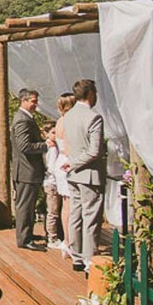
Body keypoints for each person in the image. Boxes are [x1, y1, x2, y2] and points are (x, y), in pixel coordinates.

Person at [61, 79, 106, 272]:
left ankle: (77, 256)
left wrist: (71, 163)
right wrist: (75, 162)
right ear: (90, 94)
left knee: (75, 215)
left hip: (72, 174)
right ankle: (90, 260)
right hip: (89, 174)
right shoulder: (93, 117)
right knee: (91, 217)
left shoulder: (68, 116)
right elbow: (95, 151)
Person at [10, 88, 48, 251]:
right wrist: (45, 145)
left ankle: (28, 233)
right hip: (26, 170)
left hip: (28, 170)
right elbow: (25, 146)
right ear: (23, 101)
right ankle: (24, 239)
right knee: (25, 205)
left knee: (29, 205)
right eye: (33, 101)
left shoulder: (26, 118)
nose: (36, 104)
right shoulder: (22, 120)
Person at [53, 93, 77, 259]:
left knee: (65, 203)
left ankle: (67, 241)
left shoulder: (59, 121)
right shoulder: (69, 122)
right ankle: (70, 241)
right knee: (71, 204)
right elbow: (69, 146)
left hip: (59, 160)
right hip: (67, 161)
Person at [42, 122, 65, 251]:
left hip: (53, 182)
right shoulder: (52, 148)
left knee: (54, 210)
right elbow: (51, 167)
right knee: (53, 211)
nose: (55, 135)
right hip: (52, 182)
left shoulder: (54, 146)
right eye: (53, 133)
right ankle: (52, 237)